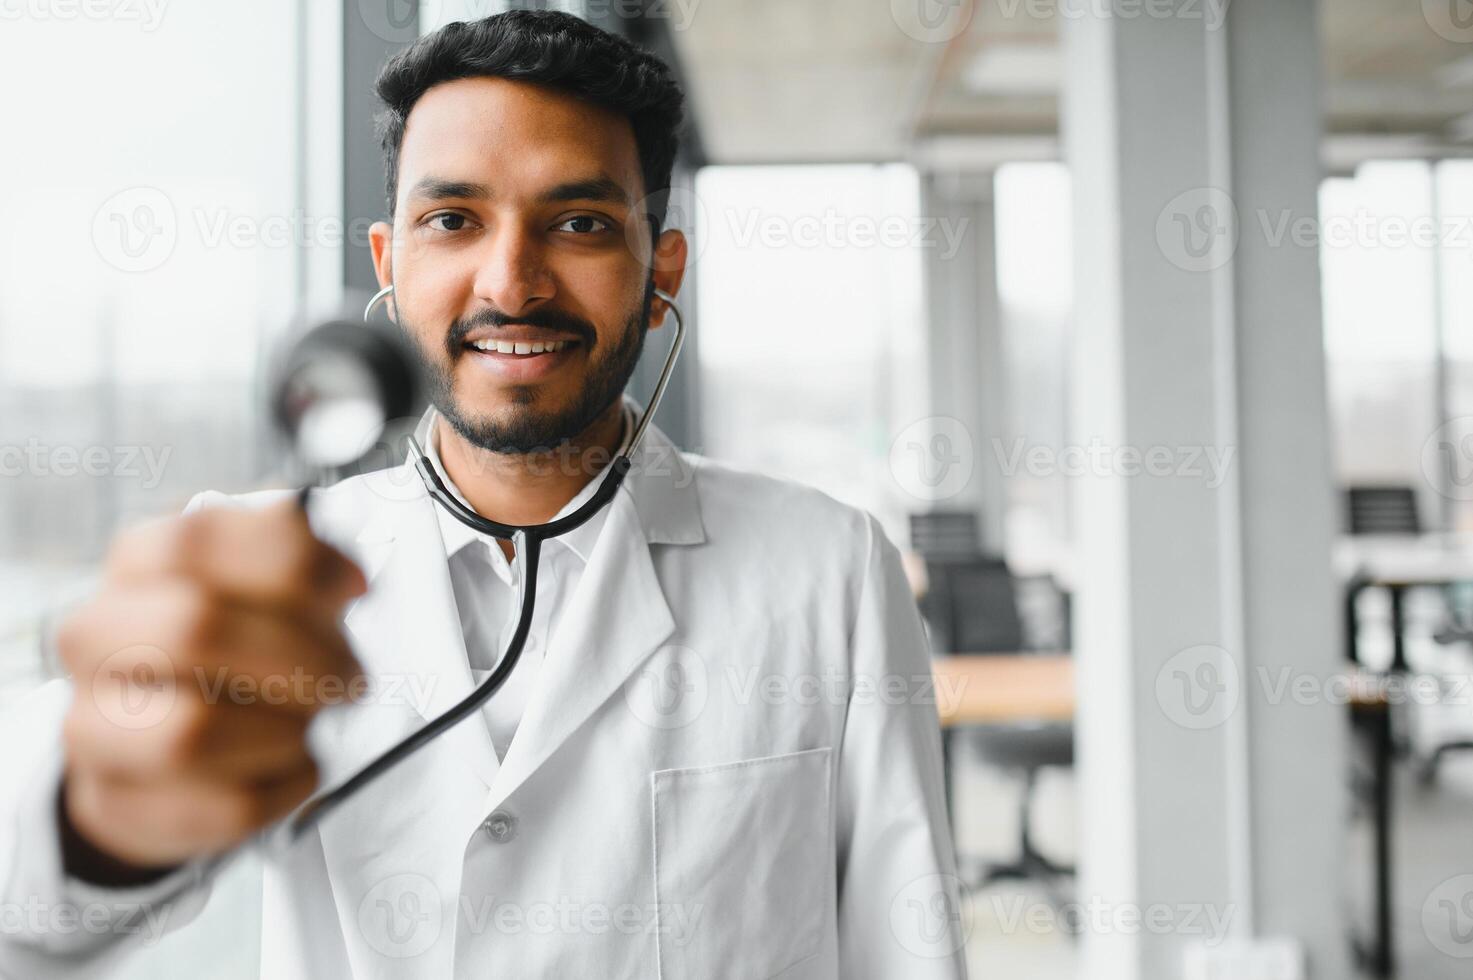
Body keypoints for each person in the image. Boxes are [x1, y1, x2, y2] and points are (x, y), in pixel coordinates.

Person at [0, 11, 967, 978]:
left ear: (660, 269)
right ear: (389, 262)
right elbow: (30, 898)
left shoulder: (828, 567)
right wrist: (102, 807)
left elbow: (905, 942)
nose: (511, 282)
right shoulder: (256, 573)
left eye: (580, 223)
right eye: (452, 220)